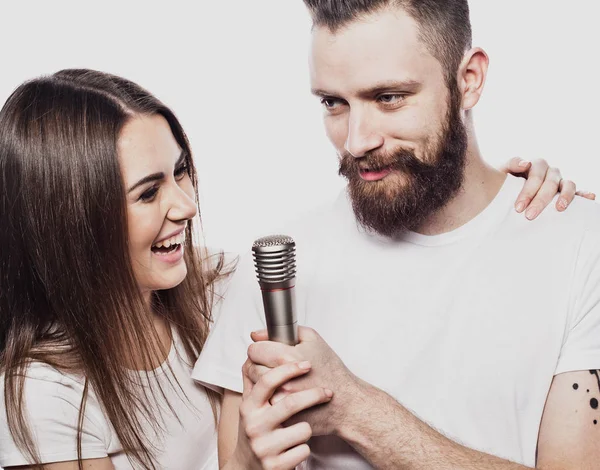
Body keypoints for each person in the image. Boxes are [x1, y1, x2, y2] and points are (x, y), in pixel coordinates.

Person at [193, 1, 600, 469]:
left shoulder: (580, 249)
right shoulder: (276, 267)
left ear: (469, 79)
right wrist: (253, 457)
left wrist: (355, 409)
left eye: (389, 97)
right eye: (333, 103)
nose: (357, 141)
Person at [0, 69, 334, 470]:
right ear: (71, 221)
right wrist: (244, 464)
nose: (186, 206)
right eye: (148, 192)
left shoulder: (221, 287)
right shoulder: (43, 392)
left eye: (180, 172)